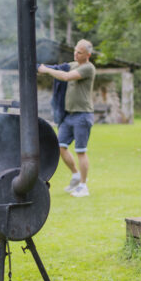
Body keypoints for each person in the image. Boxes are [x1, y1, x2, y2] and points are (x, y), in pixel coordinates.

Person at [38, 39, 96, 197]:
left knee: (80, 151)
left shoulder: (88, 68)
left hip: (82, 116)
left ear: (88, 55)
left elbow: (65, 76)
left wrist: (47, 70)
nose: (76, 54)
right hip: (68, 116)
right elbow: (59, 68)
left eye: (80, 52)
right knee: (60, 147)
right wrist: (40, 67)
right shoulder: (74, 64)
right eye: (75, 51)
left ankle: (84, 186)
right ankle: (76, 175)